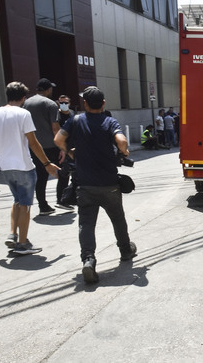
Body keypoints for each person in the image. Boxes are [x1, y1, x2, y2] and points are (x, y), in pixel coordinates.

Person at [54, 86, 137, 284]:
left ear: (85, 103)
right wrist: (123, 152)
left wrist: (71, 152)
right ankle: (125, 250)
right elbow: (121, 140)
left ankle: (88, 260)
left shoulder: (75, 121)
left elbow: (58, 139)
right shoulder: (109, 121)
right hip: (109, 184)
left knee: (86, 224)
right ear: (103, 104)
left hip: (85, 185)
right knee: (118, 219)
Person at [0, 82, 60, 254]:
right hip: (24, 166)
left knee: (17, 201)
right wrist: (47, 164)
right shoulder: (23, 114)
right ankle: (23, 243)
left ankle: (12, 234)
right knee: (25, 205)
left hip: (5, 166)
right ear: (23, 98)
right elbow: (33, 143)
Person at [23, 78, 63, 215]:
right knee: (64, 171)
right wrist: (62, 147)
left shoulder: (26, 103)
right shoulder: (50, 104)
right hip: (50, 145)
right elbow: (55, 127)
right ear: (48, 90)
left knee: (40, 176)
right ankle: (62, 200)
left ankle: (43, 205)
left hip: (33, 145)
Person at [55, 95, 75, 210]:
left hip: (72, 148)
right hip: (62, 149)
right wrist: (62, 149)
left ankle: (68, 198)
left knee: (74, 174)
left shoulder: (72, 113)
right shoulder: (57, 116)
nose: (64, 105)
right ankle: (61, 199)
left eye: (66, 102)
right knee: (64, 175)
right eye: (61, 102)